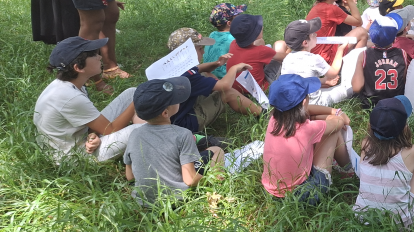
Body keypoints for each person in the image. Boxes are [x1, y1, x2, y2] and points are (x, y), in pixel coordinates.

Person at [33, 36, 144, 162]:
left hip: (84, 139)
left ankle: (146, 142)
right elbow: (110, 129)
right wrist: (137, 102)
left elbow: (90, 124)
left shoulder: (72, 85)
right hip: (75, 156)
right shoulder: (70, 97)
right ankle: (153, 143)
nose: (100, 57)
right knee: (140, 128)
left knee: (132, 93)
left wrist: (93, 135)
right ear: (78, 67)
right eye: (93, 55)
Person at [353, 96, 414, 228]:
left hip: (363, 218)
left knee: (413, 163)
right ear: (405, 128)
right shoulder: (411, 152)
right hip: (401, 223)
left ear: (371, 125)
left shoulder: (365, 144)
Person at [124, 77, 224, 206]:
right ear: (165, 112)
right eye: (175, 99)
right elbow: (190, 179)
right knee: (217, 150)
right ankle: (218, 183)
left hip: (143, 201)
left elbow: (130, 176)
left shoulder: (134, 134)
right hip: (177, 200)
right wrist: (209, 178)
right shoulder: (182, 134)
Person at [261, 74, 354, 205]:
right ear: (304, 101)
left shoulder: (275, 118)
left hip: (272, 191)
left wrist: (330, 112)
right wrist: (337, 114)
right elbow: (338, 123)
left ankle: (343, 167)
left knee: (322, 123)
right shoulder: (307, 129)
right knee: (333, 131)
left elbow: (306, 111)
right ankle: (347, 170)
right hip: (304, 194)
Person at [166, 28, 264, 133]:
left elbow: (199, 68)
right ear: (187, 52)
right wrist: (234, 68)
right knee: (227, 93)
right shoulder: (189, 77)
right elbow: (225, 85)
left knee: (205, 75)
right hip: (183, 125)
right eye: (200, 49)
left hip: (171, 117)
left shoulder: (173, 66)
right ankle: (263, 113)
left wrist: (217, 63)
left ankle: (241, 101)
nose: (203, 52)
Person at [282, 18, 352, 106]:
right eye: (313, 34)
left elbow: (303, 79)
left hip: (294, 102)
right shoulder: (314, 59)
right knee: (346, 89)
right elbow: (333, 72)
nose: (316, 34)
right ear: (305, 43)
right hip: (315, 102)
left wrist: (324, 80)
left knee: (325, 88)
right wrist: (340, 50)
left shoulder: (287, 59)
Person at [306, 0, 368, 64]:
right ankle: (356, 67)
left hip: (314, 53)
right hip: (324, 58)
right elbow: (358, 22)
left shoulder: (318, 6)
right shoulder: (331, 9)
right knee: (361, 32)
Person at [352, 15, 410, 109]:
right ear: (395, 38)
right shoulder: (402, 53)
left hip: (371, 106)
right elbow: (403, 80)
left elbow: (356, 87)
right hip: (395, 104)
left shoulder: (364, 54)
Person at [227, 14, 287, 92]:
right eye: (258, 28)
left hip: (237, 89)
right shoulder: (261, 51)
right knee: (280, 44)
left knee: (261, 42)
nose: (262, 27)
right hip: (260, 89)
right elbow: (285, 57)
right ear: (253, 35)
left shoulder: (233, 43)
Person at [203, 3, 247, 79]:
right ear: (229, 23)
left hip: (208, 75)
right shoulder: (234, 39)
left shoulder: (212, 34)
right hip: (225, 78)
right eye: (237, 17)